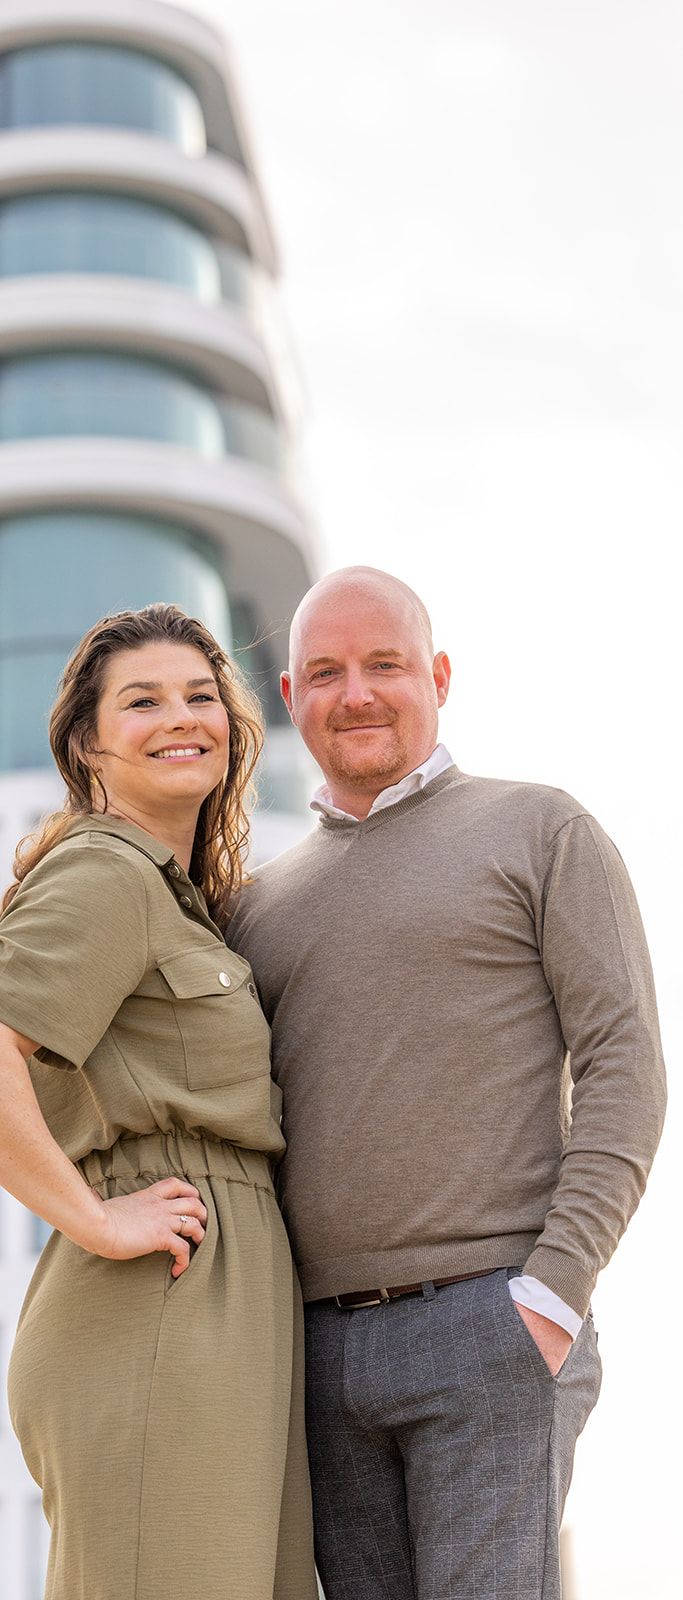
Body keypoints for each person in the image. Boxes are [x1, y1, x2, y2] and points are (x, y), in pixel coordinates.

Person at [226, 566, 666, 1600]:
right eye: (325, 672)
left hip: (489, 1319)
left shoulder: (538, 829)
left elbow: (624, 1062)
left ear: (437, 675)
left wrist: (552, 1291)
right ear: (291, 699)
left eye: (384, 664)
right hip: (318, 1358)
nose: (358, 693)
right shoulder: (256, 905)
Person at [0, 603, 317, 1600]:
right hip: (158, 1303)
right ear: (88, 745)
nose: (179, 717)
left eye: (199, 696)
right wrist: (96, 1219)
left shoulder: (185, 900)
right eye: (141, 701)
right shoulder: (105, 869)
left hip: (226, 1307)